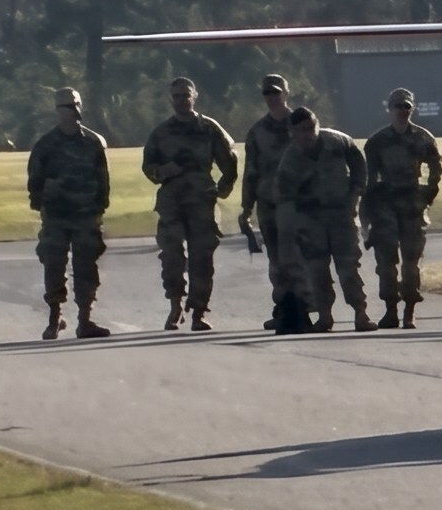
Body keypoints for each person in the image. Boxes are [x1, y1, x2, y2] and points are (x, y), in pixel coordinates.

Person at [140, 76, 239, 332]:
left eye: (186, 95)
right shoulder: (161, 133)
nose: (181, 100)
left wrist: (222, 188)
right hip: (172, 204)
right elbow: (148, 167)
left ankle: (198, 311)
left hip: (201, 203)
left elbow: (229, 159)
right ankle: (175, 305)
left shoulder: (208, 128)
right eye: (176, 96)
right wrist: (163, 171)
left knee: (202, 259)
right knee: (171, 256)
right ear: (170, 100)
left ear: (195, 96)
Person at [273, 106, 374, 332]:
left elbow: (359, 163)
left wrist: (356, 192)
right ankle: (325, 316)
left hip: (341, 215)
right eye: (301, 130)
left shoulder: (339, 141)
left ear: (318, 124)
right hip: (310, 221)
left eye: (311, 128)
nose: (307, 134)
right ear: (292, 131)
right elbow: (283, 198)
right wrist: (289, 234)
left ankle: (361, 313)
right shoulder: (290, 160)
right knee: (317, 270)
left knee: (348, 267)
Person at [26, 87, 110, 339]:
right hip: (56, 216)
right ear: (57, 110)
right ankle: (55, 317)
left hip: (86, 214)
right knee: (54, 264)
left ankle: (85, 320)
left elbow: (103, 179)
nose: (71, 111)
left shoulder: (93, 142)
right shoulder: (46, 145)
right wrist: (44, 207)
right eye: (65, 107)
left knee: (86, 266)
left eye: (74, 105)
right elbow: (35, 182)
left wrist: (99, 207)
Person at [363, 87, 442, 328]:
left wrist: (428, 194)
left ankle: (409, 309)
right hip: (385, 205)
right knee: (386, 262)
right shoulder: (377, 141)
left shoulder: (423, 137)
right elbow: (368, 180)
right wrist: (366, 214)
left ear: (412, 108)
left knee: (411, 261)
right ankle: (390, 309)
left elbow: (436, 168)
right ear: (389, 109)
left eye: (406, 106)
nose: (402, 111)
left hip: (412, 205)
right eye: (398, 106)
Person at [238, 72, 298, 314]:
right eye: (267, 93)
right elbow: (250, 170)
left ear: (286, 92)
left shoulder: (302, 122)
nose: (272, 97)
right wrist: (246, 208)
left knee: (301, 257)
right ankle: (283, 308)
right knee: (276, 260)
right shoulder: (257, 132)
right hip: (269, 204)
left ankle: (306, 306)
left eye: (276, 92)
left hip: (299, 202)